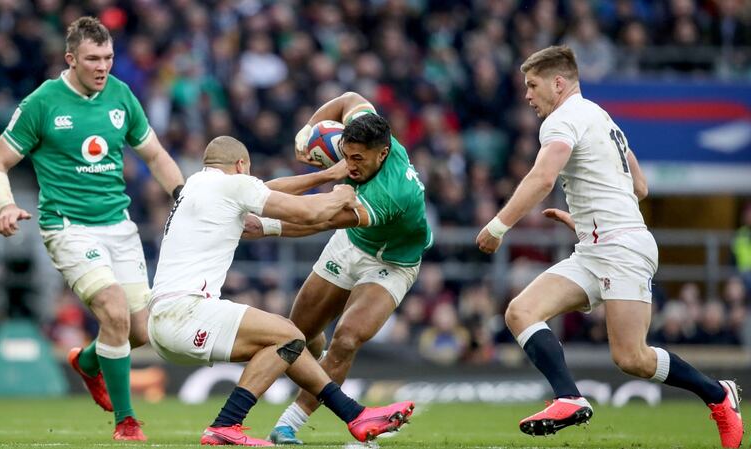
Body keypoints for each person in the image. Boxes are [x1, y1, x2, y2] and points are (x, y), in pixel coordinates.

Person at [475, 45, 742, 448]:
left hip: (620, 248)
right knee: (521, 311)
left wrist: (498, 226)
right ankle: (568, 397)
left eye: (533, 85)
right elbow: (640, 186)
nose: (528, 95)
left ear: (558, 83)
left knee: (632, 358)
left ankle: (719, 395)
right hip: (598, 245)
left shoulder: (561, 120)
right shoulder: (600, 116)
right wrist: (585, 220)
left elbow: (543, 178)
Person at [0, 17, 185, 441]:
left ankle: (90, 362)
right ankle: (127, 422)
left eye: (108, 57)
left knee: (140, 332)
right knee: (112, 309)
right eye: (93, 58)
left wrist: (183, 196)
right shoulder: (43, 103)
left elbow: (156, 155)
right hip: (69, 227)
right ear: (70, 58)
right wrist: (5, 205)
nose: (102, 66)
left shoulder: (121, 95)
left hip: (119, 225)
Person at [147, 135, 414, 446]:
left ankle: (355, 415)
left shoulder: (196, 183)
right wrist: (342, 194)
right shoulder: (233, 185)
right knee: (289, 335)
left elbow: (269, 190)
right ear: (241, 166)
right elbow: (308, 213)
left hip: (164, 319)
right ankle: (226, 424)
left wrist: (326, 175)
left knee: (285, 342)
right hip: (188, 312)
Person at [254, 92, 432, 445]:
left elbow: (319, 220)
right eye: (346, 155)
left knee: (348, 337)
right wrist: (306, 132)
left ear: (383, 154)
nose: (350, 165)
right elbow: (349, 98)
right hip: (352, 243)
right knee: (295, 336)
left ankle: (288, 424)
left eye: (357, 160)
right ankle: (320, 361)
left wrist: (266, 226)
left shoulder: (392, 193)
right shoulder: (364, 137)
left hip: (392, 263)